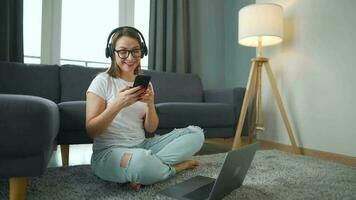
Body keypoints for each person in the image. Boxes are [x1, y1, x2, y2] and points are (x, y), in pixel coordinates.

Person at [85, 26, 205, 190]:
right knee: (140, 162)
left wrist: (150, 104)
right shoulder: (102, 81)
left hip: (143, 145)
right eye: (123, 51)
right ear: (112, 53)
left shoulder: (145, 83)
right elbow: (92, 131)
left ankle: (148, 168)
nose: (130, 57)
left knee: (196, 134)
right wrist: (118, 104)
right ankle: (175, 167)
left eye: (135, 51)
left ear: (142, 52)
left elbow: (151, 127)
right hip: (108, 152)